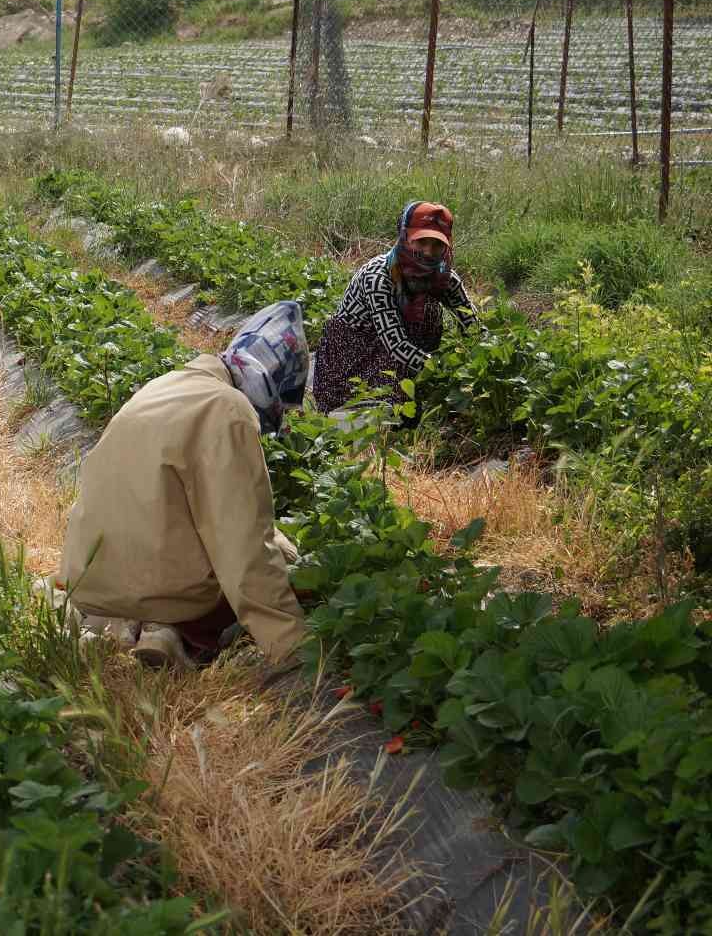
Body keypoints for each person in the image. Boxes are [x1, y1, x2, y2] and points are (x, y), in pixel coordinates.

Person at [58, 301, 311, 670]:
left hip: (87, 574)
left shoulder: (169, 384)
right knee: (277, 567)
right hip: (156, 589)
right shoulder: (229, 411)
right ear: (273, 378)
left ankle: (131, 625)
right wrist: (290, 644)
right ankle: (177, 630)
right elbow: (243, 543)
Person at [312, 201, 477, 416]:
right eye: (421, 242)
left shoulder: (444, 278)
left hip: (403, 354)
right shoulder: (378, 278)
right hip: (355, 355)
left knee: (429, 313)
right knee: (385, 412)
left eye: (437, 245)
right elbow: (396, 344)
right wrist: (444, 371)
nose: (428, 252)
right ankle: (368, 406)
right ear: (405, 238)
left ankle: (409, 396)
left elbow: (472, 324)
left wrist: (476, 364)